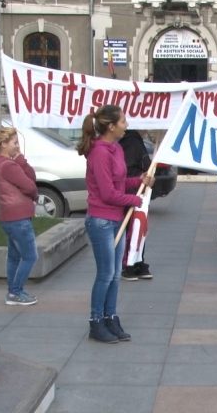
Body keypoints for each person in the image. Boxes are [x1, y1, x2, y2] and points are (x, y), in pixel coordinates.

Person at [78, 104, 153, 344]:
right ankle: (96, 321)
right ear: (111, 126)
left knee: (115, 275)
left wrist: (139, 180)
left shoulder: (117, 148)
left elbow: (119, 183)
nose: (126, 125)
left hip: (117, 218)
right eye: (123, 121)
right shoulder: (99, 153)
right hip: (100, 220)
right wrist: (135, 200)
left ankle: (110, 317)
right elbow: (108, 193)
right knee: (106, 273)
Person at [0, 127, 39, 306]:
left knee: (14, 256)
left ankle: (12, 291)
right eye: (14, 143)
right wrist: (21, 161)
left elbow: (30, 178)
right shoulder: (8, 166)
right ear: (3, 144)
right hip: (19, 216)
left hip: (8, 216)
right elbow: (30, 185)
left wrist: (20, 160)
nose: (17, 146)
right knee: (30, 256)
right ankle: (15, 292)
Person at [119, 129, 153, 281]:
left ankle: (137, 261)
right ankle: (129, 264)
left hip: (138, 190)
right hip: (133, 192)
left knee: (139, 229)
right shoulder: (131, 142)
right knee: (133, 229)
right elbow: (129, 169)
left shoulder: (135, 141)